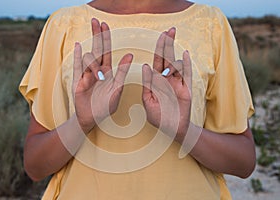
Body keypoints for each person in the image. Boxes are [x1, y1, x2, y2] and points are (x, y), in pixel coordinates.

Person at [19, 0, 256, 199]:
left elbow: (243, 162)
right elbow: (36, 165)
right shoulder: (63, 25)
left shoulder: (210, 24)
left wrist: (183, 130)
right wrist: (82, 121)